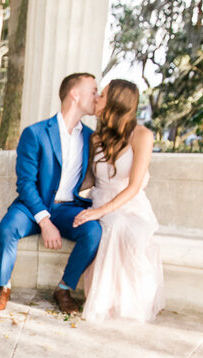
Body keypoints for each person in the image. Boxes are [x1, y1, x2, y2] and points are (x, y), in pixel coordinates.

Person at [0, 73, 103, 314]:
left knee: (93, 232)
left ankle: (63, 288)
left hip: (68, 208)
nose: (97, 96)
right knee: (7, 228)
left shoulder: (91, 138)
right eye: (93, 90)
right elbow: (26, 183)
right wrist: (45, 221)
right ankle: (3, 286)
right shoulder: (36, 133)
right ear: (75, 93)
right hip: (33, 205)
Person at [73, 79, 165, 323]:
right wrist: (60, 192)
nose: (97, 99)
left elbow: (134, 186)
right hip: (100, 200)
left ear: (115, 101)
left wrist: (99, 211)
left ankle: (126, 303)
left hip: (130, 205)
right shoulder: (96, 138)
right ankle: (104, 301)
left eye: (102, 95)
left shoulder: (142, 136)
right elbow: (90, 180)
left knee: (121, 227)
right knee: (110, 224)